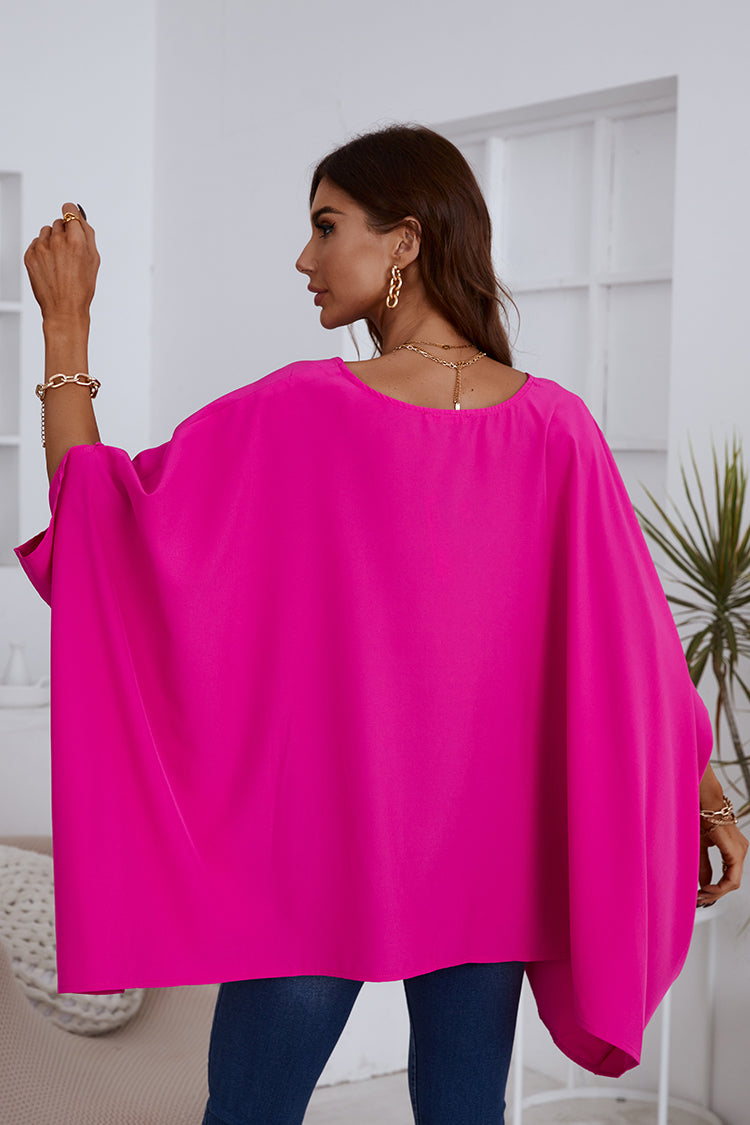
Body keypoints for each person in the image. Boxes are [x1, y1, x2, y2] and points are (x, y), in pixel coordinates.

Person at [19, 125, 748, 1125]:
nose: (304, 258)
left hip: (318, 855)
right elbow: (635, 642)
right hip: (490, 857)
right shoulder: (557, 428)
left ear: (405, 240)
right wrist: (703, 796)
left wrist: (65, 326)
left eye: (327, 226)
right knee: (464, 1112)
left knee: (248, 1113)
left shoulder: (298, 411)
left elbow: (102, 537)